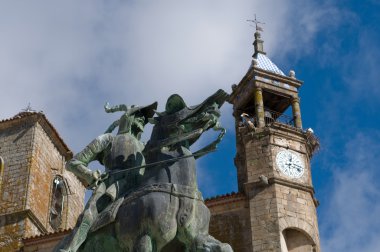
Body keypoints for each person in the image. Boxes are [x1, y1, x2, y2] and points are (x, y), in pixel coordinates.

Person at [54, 102, 157, 252]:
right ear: (128, 118)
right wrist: (89, 175)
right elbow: (73, 163)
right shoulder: (108, 139)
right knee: (89, 217)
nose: (142, 119)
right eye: (138, 115)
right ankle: (70, 249)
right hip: (111, 186)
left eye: (144, 117)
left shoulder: (144, 147)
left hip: (139, 187)